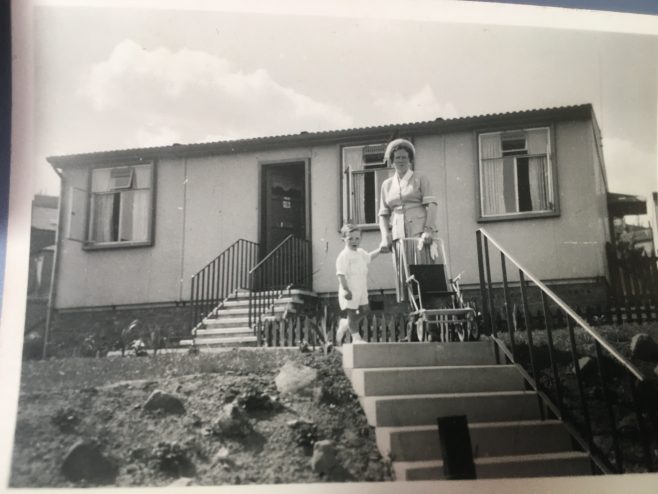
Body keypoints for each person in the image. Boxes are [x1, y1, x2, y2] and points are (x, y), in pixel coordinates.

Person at [378, 138, 438, 302]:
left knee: (422, 273)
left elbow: (431, 205)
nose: (401, 161)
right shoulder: (387, 184)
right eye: (397, 157)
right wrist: (385, 237)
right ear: (392, 161)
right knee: (403, 274)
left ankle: (428, 315)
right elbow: (383, 214)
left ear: (410, 159)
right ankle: (412, 315)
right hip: (399, 235)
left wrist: (428, 230)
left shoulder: (420, 178)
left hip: (419, 233)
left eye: (404, 157)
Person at [335, 223, 382, 344]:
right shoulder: (344, 256)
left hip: (361, 288)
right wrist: (346, 289)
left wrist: (380, 250)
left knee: (365, 310)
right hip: (350, 289)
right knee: (351, 313)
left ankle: (345, 323)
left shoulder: (360, 252)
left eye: (357, 238)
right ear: (344, 239)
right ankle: (356, 338)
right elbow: (341, 274)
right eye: (350, 239)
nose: (354, 241)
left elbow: (369, 257)